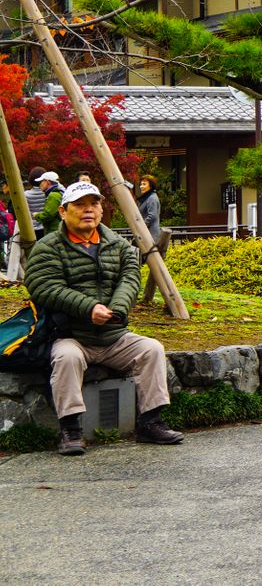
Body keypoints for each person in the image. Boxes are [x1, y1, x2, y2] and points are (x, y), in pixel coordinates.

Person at [25, 181, 184, 454]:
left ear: (101, 210)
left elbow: (130, 277)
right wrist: (89, 308)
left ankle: (150, 422)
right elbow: (43, 286)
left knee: (151, 349)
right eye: (80, 205)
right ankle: (70, 429)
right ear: (63, 212)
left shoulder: (118, 245)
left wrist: (117, 310)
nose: (88, 210)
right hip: (70, 335)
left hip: (113, 335)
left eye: (94, 204)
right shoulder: (48, 246)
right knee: (67, 358)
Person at [27, 169, 62, 239]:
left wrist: (37, 215)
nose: (40, 185)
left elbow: (48, 214)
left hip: (53, 231)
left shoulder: (53, 195)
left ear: (47, 182)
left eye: (41, 182)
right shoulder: (57, 193)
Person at [137, 175, 162, 240]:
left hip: (151, 234)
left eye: (144, 184)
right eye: (141, 184)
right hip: (148, 233)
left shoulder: (152, 198)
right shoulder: (147, 197)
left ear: (151, 186)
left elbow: (152, 216)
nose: (141, 186)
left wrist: (140, 226)